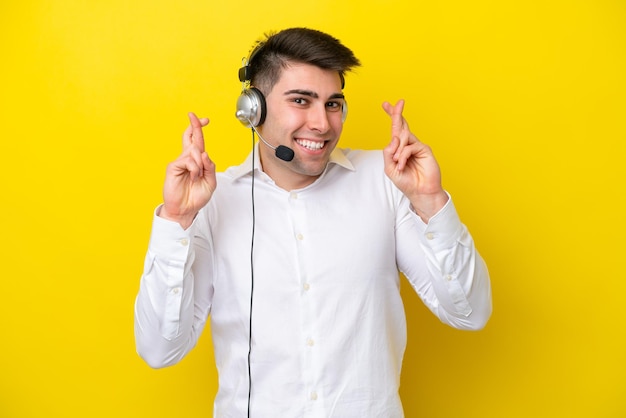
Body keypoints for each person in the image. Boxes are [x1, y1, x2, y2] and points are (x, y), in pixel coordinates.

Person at [134, 27, 492, 417]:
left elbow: (470, 313)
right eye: (301, 100)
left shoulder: (387, 181)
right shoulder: (211, 201)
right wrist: (177, 220)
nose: (322, 123)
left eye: (333, 104)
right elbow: (159, 349)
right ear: (252, 109)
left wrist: (430, 201)